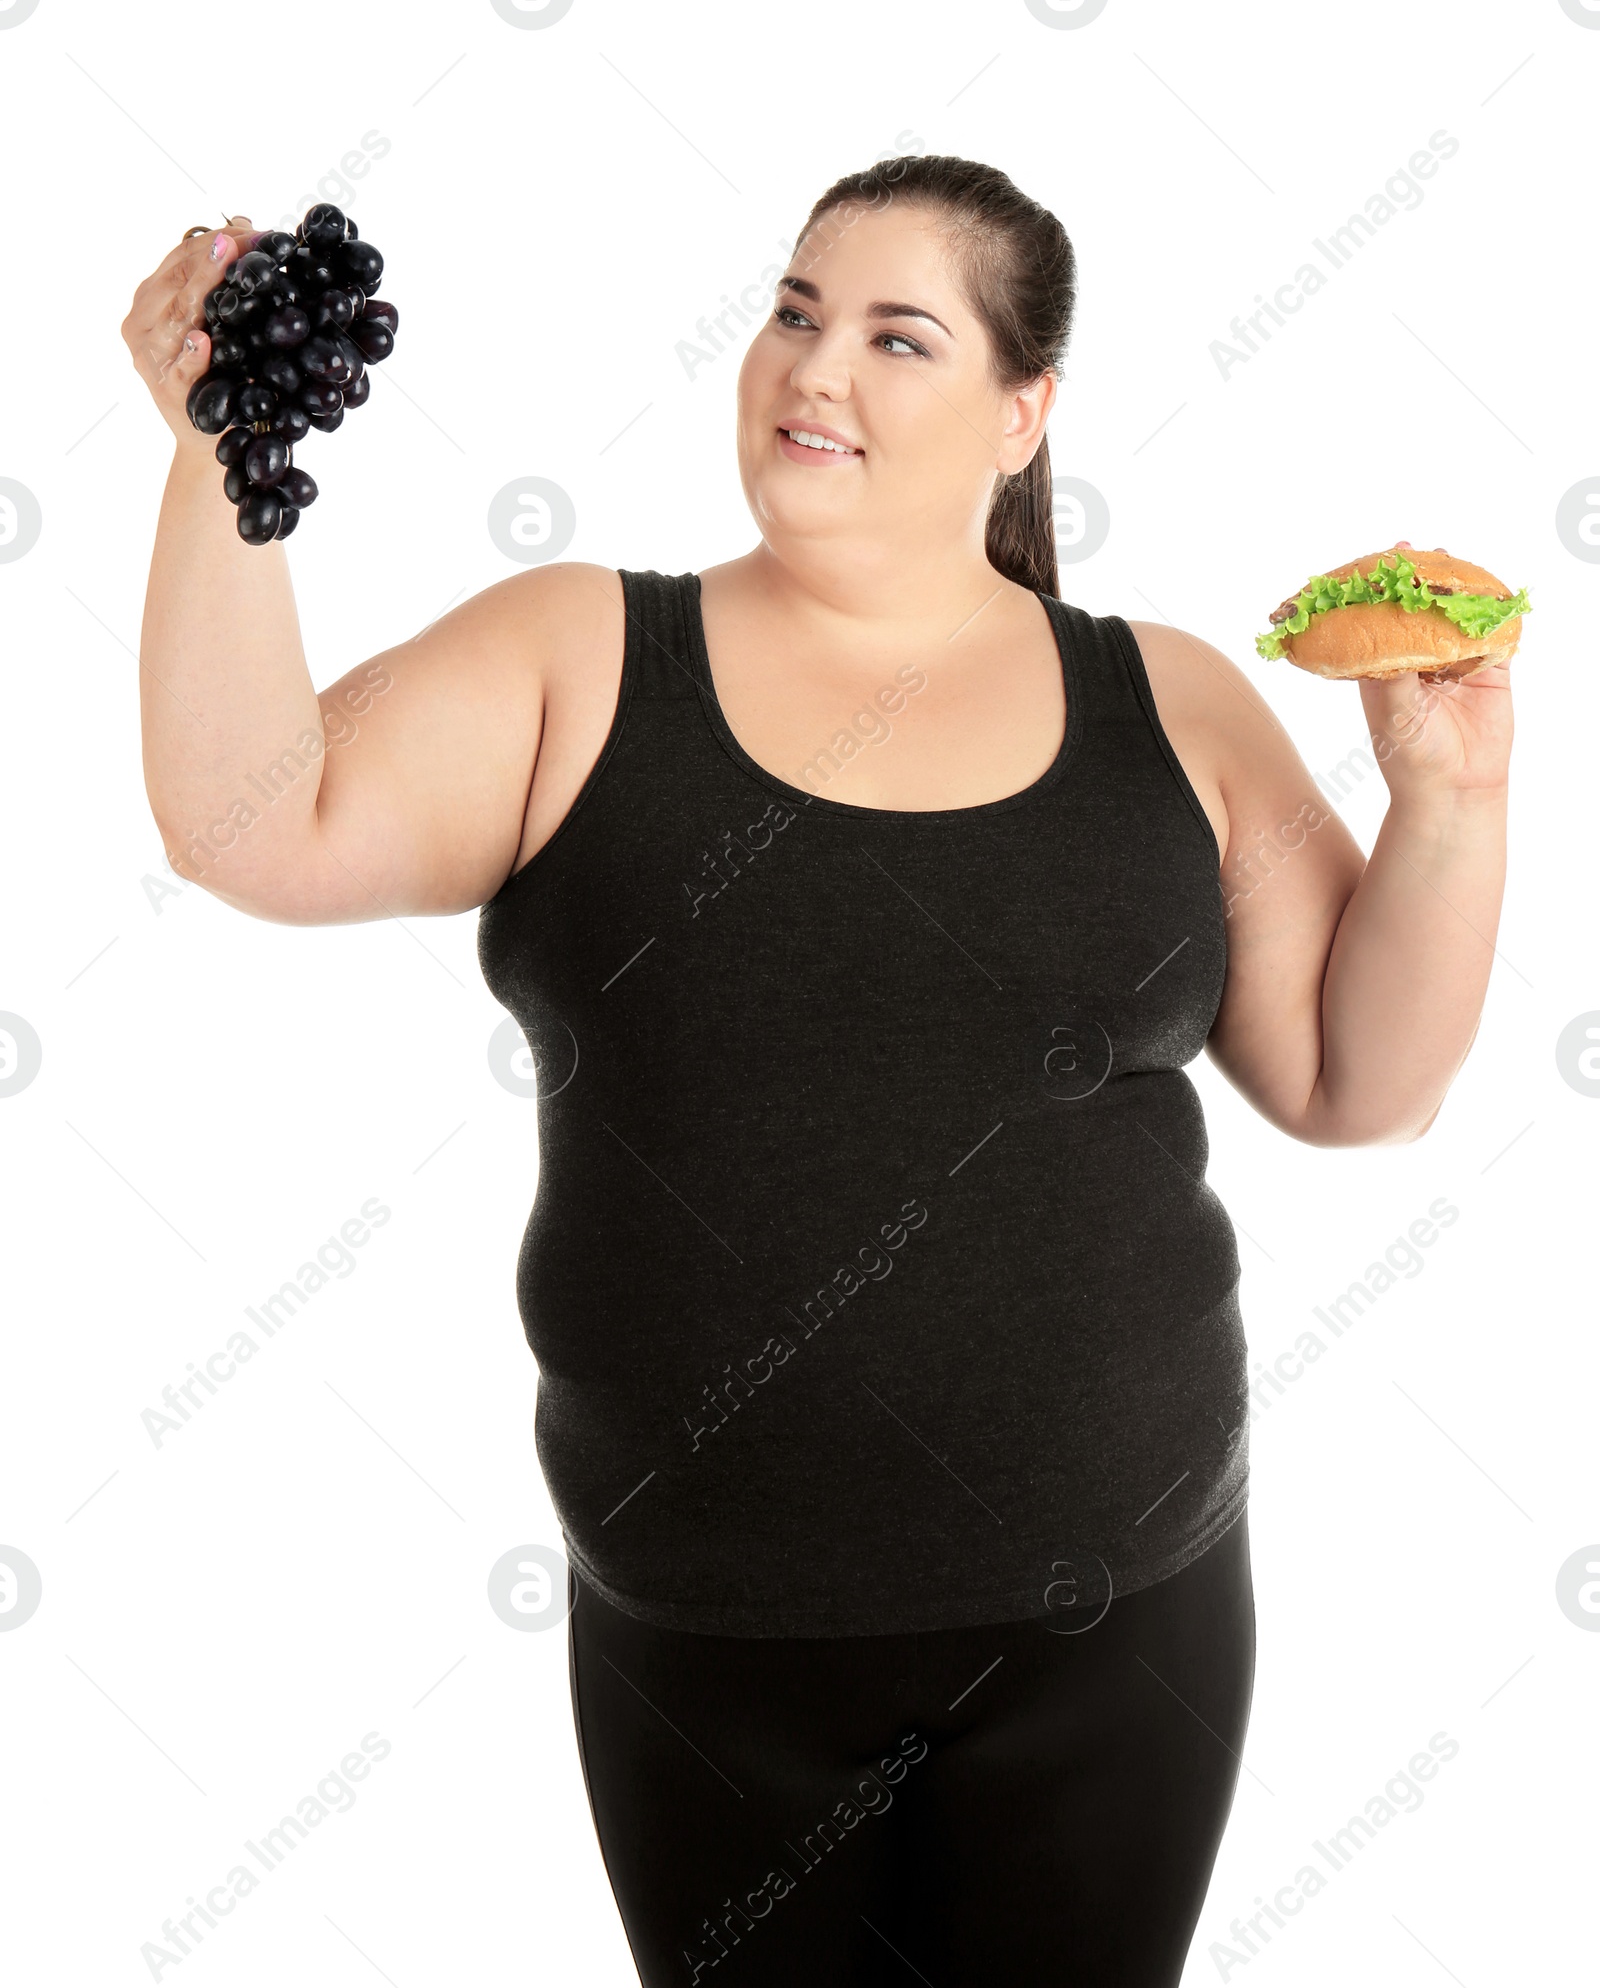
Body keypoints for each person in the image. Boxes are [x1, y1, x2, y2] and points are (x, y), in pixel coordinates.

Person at [125, 155, 1513, 1986]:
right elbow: (251, 820)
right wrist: (223, 461)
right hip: (716, 1645)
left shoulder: (1171, 703)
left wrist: (1453, 802)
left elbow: (1361, 1081)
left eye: (896, 335)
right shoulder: (585, 656)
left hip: (1122, 1624)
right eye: (793, 312)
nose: (814, 368)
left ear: (1026, 413)